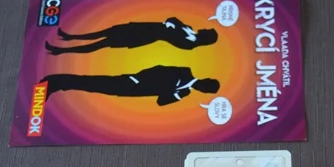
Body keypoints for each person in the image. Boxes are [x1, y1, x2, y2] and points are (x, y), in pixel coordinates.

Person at [40, 66, 220, 107]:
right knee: (93, 81)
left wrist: (178, 95)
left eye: (206, 91)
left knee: (93, 87)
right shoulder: (185, 71)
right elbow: (159, 69)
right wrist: (137, 78)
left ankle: (58, 86)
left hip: (131, 92)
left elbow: (161, 101)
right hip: (132, 81)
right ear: (206, 80)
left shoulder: (184, 93)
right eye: (206, 86)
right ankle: (54, 81)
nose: (202, 89)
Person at [45, 18, 218, 55]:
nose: (204, 28)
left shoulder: (189, 44)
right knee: (105, 32)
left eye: (207, 31)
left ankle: (61, 51)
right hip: (144, 26)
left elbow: (170, 37)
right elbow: (173, 19)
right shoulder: (190, 29)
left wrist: (171, 27)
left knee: (101, 44)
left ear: (206, 38)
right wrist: (171, 23)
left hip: (142, 37)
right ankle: (70, 37)